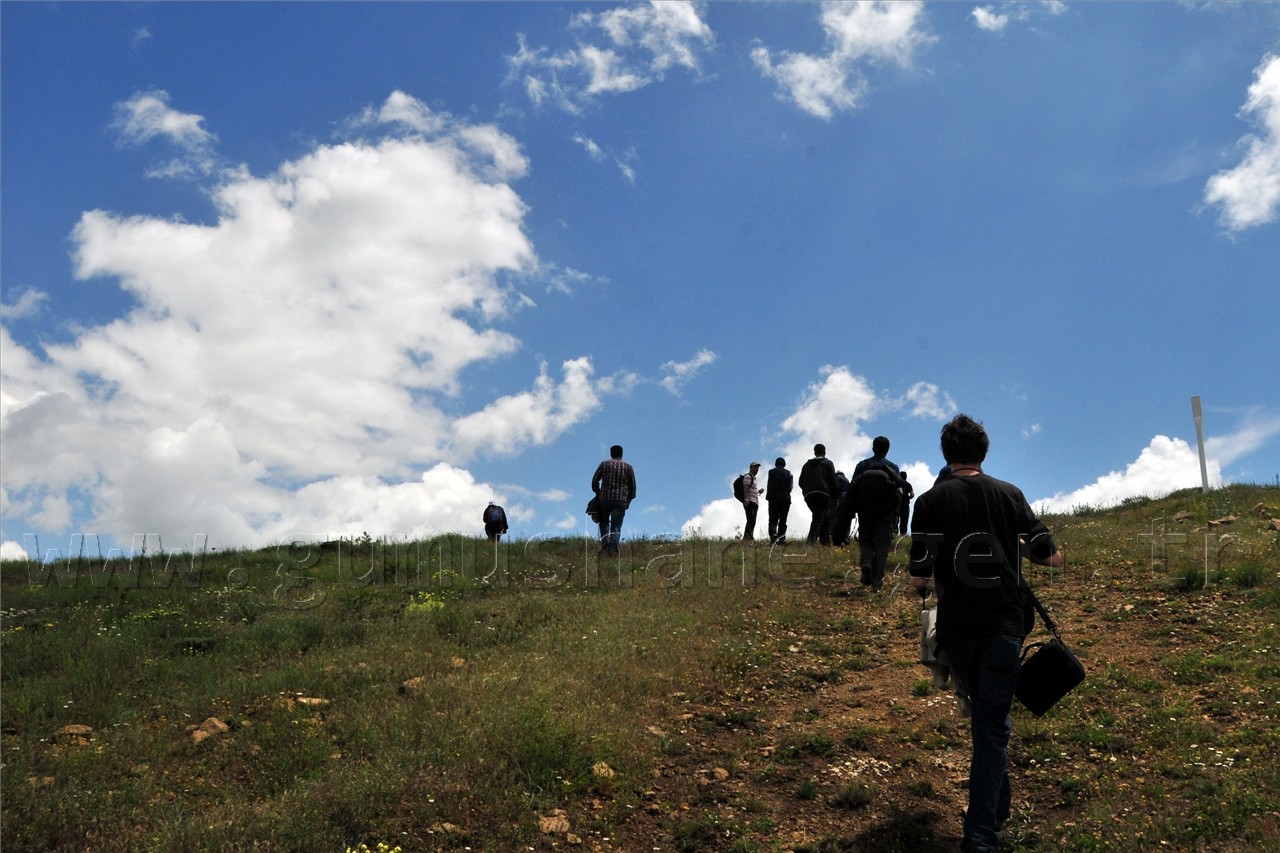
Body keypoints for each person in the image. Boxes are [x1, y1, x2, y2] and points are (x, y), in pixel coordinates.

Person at [908, 414, 1063, 853]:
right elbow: (1050, 559)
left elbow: (919, 578)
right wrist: (1014, 547)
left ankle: (990, 818)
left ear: (946, 455)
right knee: (992, 724)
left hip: (956, 629)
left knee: (986, 719)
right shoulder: (1009, 494)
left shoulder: (929, 501)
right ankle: (982, 834)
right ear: (984, 451)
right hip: (1003, 624)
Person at [592, 444, 636, 556]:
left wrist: (598, 492)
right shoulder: (628, 467)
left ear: (611, 453)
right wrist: (629, 500)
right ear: (622, 454)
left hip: (605, 498)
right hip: (620, 500)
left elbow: (594, 480)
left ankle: (605, 546)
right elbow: (633, 486)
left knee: (603, 522)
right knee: (616, 526)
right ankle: (613, 549)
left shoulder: (604, 464)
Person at [798, 444, 838, 545]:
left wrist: (806, 490)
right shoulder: (828, 463)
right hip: (823, 494)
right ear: (825, 452)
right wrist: (835, 496)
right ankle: (810, 542)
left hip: (809, 495)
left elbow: (800, 482)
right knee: (818, 518)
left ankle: (825, 544)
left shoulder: (806, 465)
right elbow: (833, 481)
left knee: (821, 517)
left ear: (814, 452)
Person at [765, 457, 793, 544]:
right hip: (785, 498)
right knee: (783, 519)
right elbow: (790, 487)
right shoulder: (789, 473)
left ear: (776, 464)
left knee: (773, 519)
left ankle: (773, 535)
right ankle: (781, 538)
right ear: (784, 464)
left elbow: (769, 484)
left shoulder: (771, 472)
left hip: (773, 498)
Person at [741, 462, 763, 541]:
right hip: (750, 501)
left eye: (757, 468)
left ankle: (750, 536)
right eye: (755, 467)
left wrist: (758, 492)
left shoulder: (754, 478)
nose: (756, 469)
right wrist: (746, 499)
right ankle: (747, 537)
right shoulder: (748, 476)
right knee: (751, 519)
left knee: (752, 520)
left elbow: (751, 489)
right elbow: (745, 488)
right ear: (750, 468)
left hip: (754, 501)